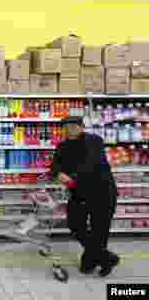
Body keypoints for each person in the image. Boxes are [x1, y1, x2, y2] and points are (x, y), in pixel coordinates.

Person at [49, 115, 120, 277]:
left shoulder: (94, 140)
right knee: (75, 225)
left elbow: (91, 163)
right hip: (79, 194)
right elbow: (54, 166)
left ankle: (91, 261)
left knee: (100, 231)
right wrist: (58, 173)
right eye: (66, 127)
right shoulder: (62, 146)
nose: (69, 130)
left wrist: (71, 176)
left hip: (103, 193)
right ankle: (106, 257)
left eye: (73, 126)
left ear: (81, 127)